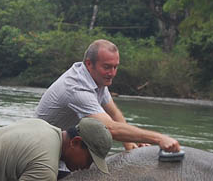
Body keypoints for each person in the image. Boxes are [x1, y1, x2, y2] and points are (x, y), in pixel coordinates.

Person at [35, 39, 181, 154]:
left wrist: (130, 145)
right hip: (41, 148)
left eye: (115, 67)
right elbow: (110, 129)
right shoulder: (76, 87)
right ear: (89, 64)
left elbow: (114, 113)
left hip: (64, 144)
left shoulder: (97, 79)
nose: (112, 73)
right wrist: (159, 138)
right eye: (107, 67)